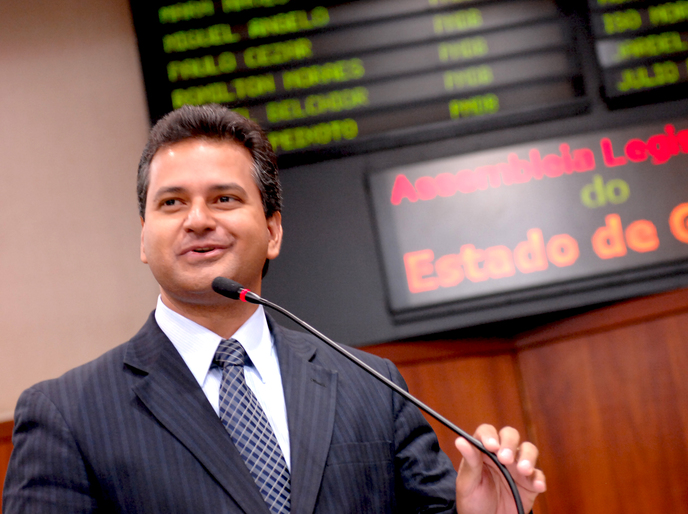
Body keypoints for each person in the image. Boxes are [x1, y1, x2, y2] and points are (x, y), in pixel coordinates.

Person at [3, 105, 546, 513]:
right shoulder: (66, 415)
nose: (198, 220)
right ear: (144, 238)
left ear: (273, 230)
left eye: (224, 198)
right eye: (171, 203)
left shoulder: (371, 386)